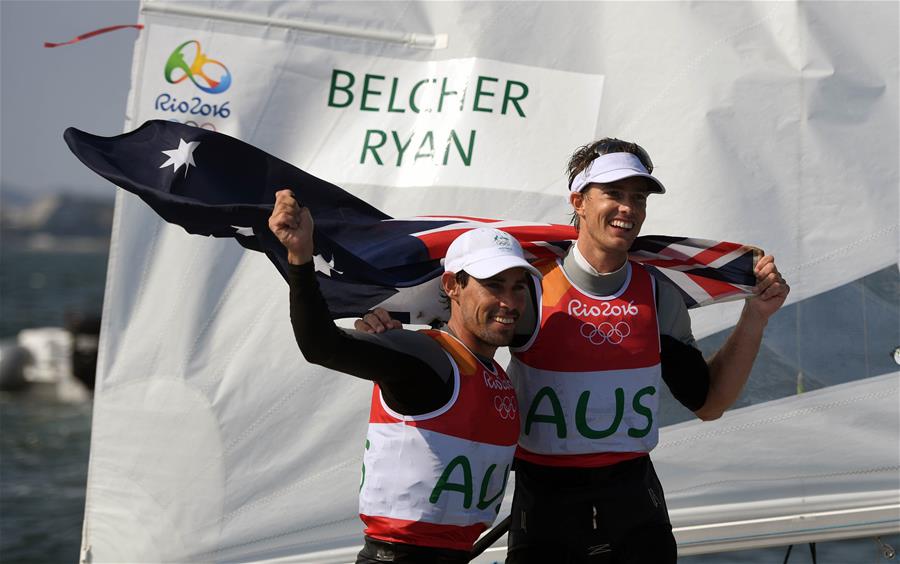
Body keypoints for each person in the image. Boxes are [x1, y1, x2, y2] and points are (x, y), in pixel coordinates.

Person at [357, 138, 790, 563]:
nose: (628, 208)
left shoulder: (658, 295)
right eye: (614, 194)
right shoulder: (524, 287)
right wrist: (380, 326)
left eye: (638, 198)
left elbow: (710, 402)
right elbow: (446, 340)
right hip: (546, 510)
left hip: (634, 510)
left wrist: (755, 317)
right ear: (579, 201)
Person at [268, 188, 543, 564]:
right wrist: (300, 260)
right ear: (452, 286)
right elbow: (321, 346)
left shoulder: (500, 378)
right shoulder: (427, 357)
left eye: (517, 288)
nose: (509, 303)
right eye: (493, 286)